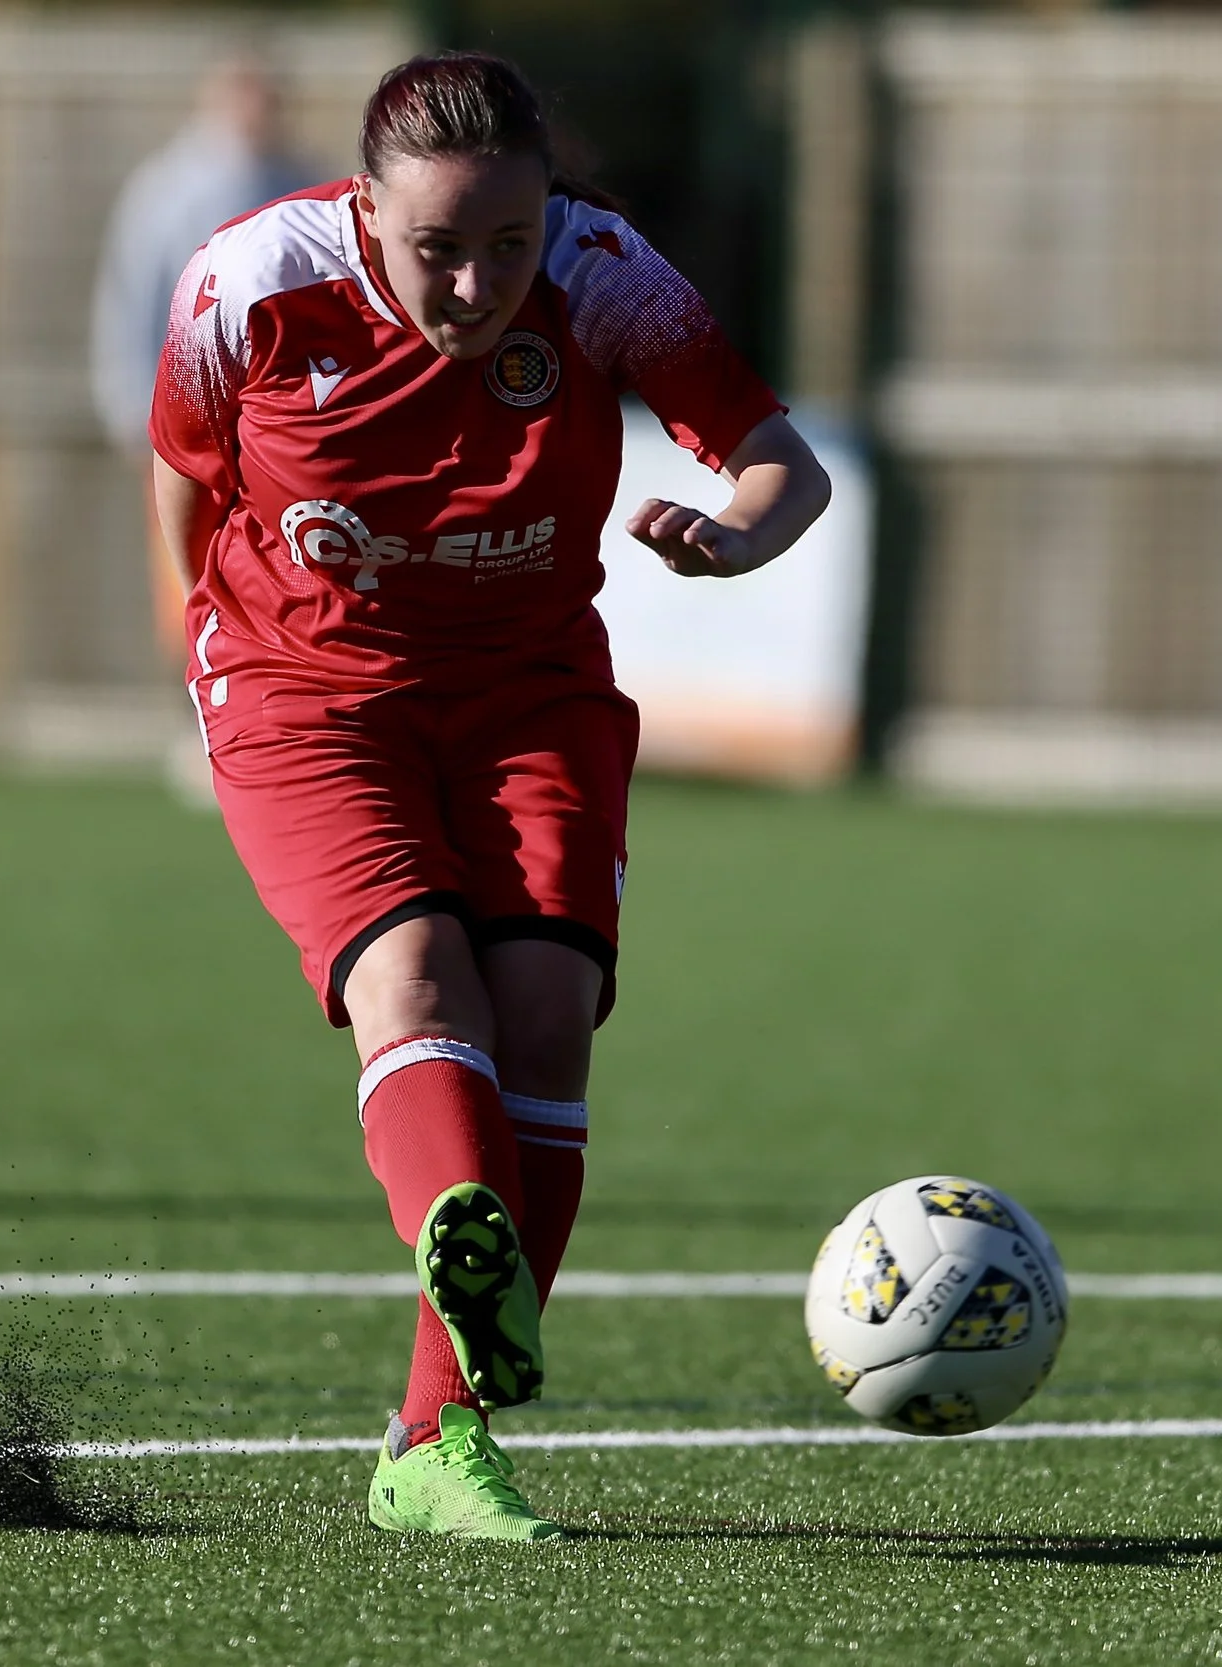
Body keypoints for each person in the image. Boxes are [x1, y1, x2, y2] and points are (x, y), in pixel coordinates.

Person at [148, 51, 829, 1541]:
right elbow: (185, 475)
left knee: (545, 1011)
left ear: (549, 216)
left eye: (506, 244)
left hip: (530, 694)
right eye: (437, 248)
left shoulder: (605, 273)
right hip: (304, 691)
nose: (475, 286)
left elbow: (783, 461)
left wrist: (733, 535)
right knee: (411, 974)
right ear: (364, 207)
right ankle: (465, 1242)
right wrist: (185, 658)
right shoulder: (249, 284)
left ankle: (433, 1436)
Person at [92, 56, 310, 665]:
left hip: (281, 420)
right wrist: (132, 406)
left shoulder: (302, 183)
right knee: (190, 577)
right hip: (188, 419)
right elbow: (133, 297)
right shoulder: (165, 192)